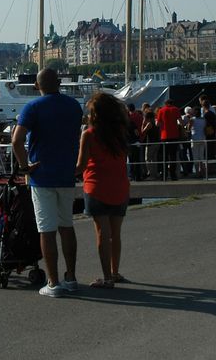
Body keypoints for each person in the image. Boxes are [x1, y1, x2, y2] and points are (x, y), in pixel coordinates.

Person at [11, 68, 83, 298]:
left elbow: (17, 140)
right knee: (67, 226)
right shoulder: (73, 106)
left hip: (42, 176)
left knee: (46, 229)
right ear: (60, 82)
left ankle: (53, 283)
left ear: (36, 86)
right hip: (66, 174)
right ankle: (70, 277)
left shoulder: (32, 107)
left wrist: (24, 166)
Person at [75, 92, 131, 289]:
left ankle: (106, 277)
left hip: (96, 187)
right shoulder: (121, 132)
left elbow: (81, 166)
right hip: (120, 187)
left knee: (102, 234)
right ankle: (115, 273)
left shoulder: (89, 135)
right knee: (116, 234)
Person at [155, 98, 183, 180]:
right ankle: (173, 175)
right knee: (173, 156)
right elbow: (181, 122)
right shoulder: (176, 109)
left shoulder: (161, 110)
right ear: (172, 103)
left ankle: (164, 175)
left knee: (164, 157)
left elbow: (157, 124)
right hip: (174, 136)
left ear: (165, 103)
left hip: (164, 136)